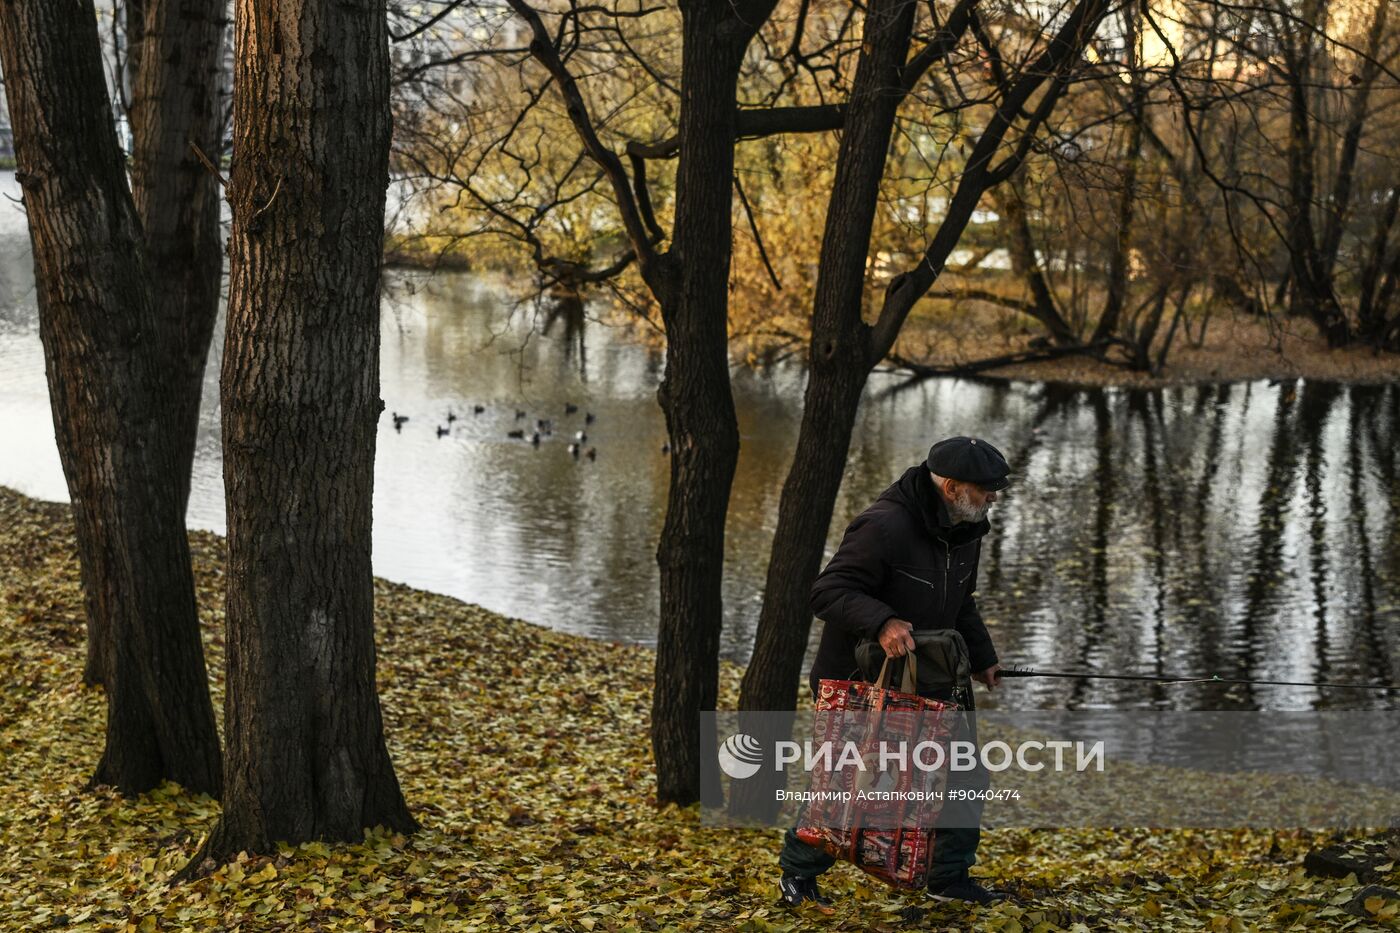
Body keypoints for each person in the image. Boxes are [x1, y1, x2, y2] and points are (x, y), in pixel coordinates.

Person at [777, 436, 1010, 909]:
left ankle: (948, 878)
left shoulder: (967, 531)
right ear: (950, 486)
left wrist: (983, 657)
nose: (993, 498)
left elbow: (960, 603)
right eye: (986, 489)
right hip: (859, 682)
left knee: (966, 774)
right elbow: (827, 591)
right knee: (846, 785)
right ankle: (798, 875)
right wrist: (881, 621)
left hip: (932, 681)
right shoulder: (884, 526)